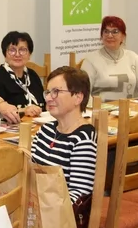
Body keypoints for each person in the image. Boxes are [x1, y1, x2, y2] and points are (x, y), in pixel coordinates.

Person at [30, 67, 98, 202]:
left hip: (61, 215)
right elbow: (29, 173)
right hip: (36, 205)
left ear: (78, 97)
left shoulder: (83, 139)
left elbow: (79, 197)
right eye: (48, 92)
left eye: (56, 92)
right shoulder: (45, 130)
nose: (48, 98)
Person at [81, 16, 138, 101]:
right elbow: (83, 92)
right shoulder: (91, 60)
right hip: (102, 111)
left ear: (123, 36)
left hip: (129, 110)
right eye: (106, 31)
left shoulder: (132, 57)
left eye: (115, 32)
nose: (109, 35)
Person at [0, 31, 45, 121]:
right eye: (12, 50)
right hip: (5, 131)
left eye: (22, 50)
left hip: (34, 127)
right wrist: (23, 111)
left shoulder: (33, 76)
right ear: (5, 54)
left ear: (29, 54)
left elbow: (43, 106)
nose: (17, 54)